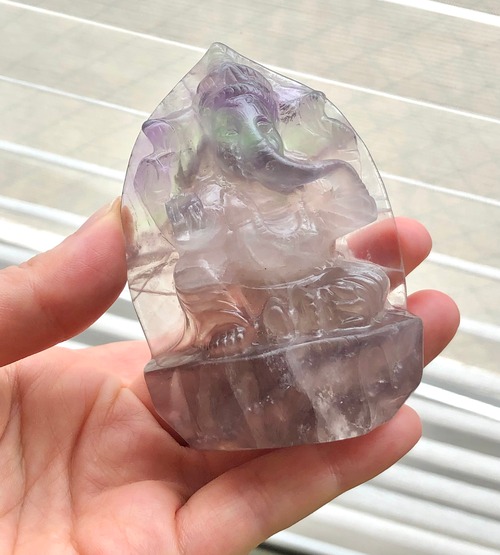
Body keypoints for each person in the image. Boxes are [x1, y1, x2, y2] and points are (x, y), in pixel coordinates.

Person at [0, 199, 459, 554]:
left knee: (369, 282)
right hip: (254, 303)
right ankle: (236, 328)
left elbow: (348, 213)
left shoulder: (298, 193)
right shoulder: (214, 205)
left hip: (312, 285)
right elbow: (192, 257)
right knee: (204, 280)